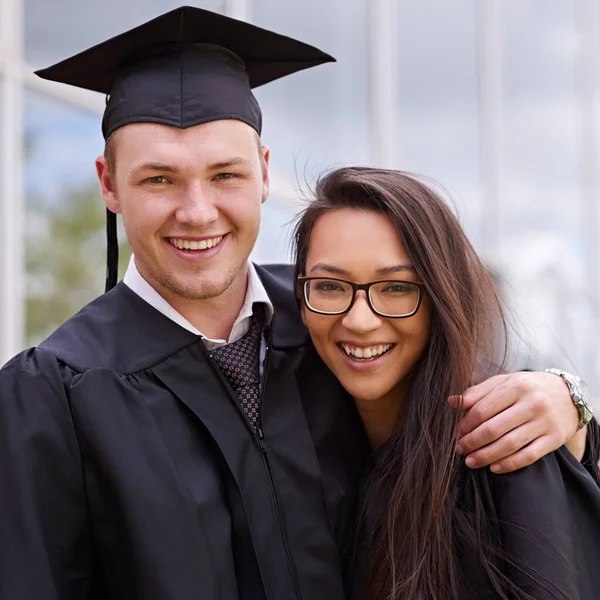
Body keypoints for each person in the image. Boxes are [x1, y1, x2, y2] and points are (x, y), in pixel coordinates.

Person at [0, 6, 591, 599]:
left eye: (224, 175)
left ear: (262, 171)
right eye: (159, 180)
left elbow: (465, 420)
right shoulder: (53, 395)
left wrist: (569, 407)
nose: (197, 211)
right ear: (108, 183)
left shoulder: (336, 323)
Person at [293, 166, 600, 600]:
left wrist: (575, 402)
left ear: (441, 296)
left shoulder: (502, 445)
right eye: (329, 285)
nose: (359, 321)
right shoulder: (301, 441)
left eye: (397, 288)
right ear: (300, 299)